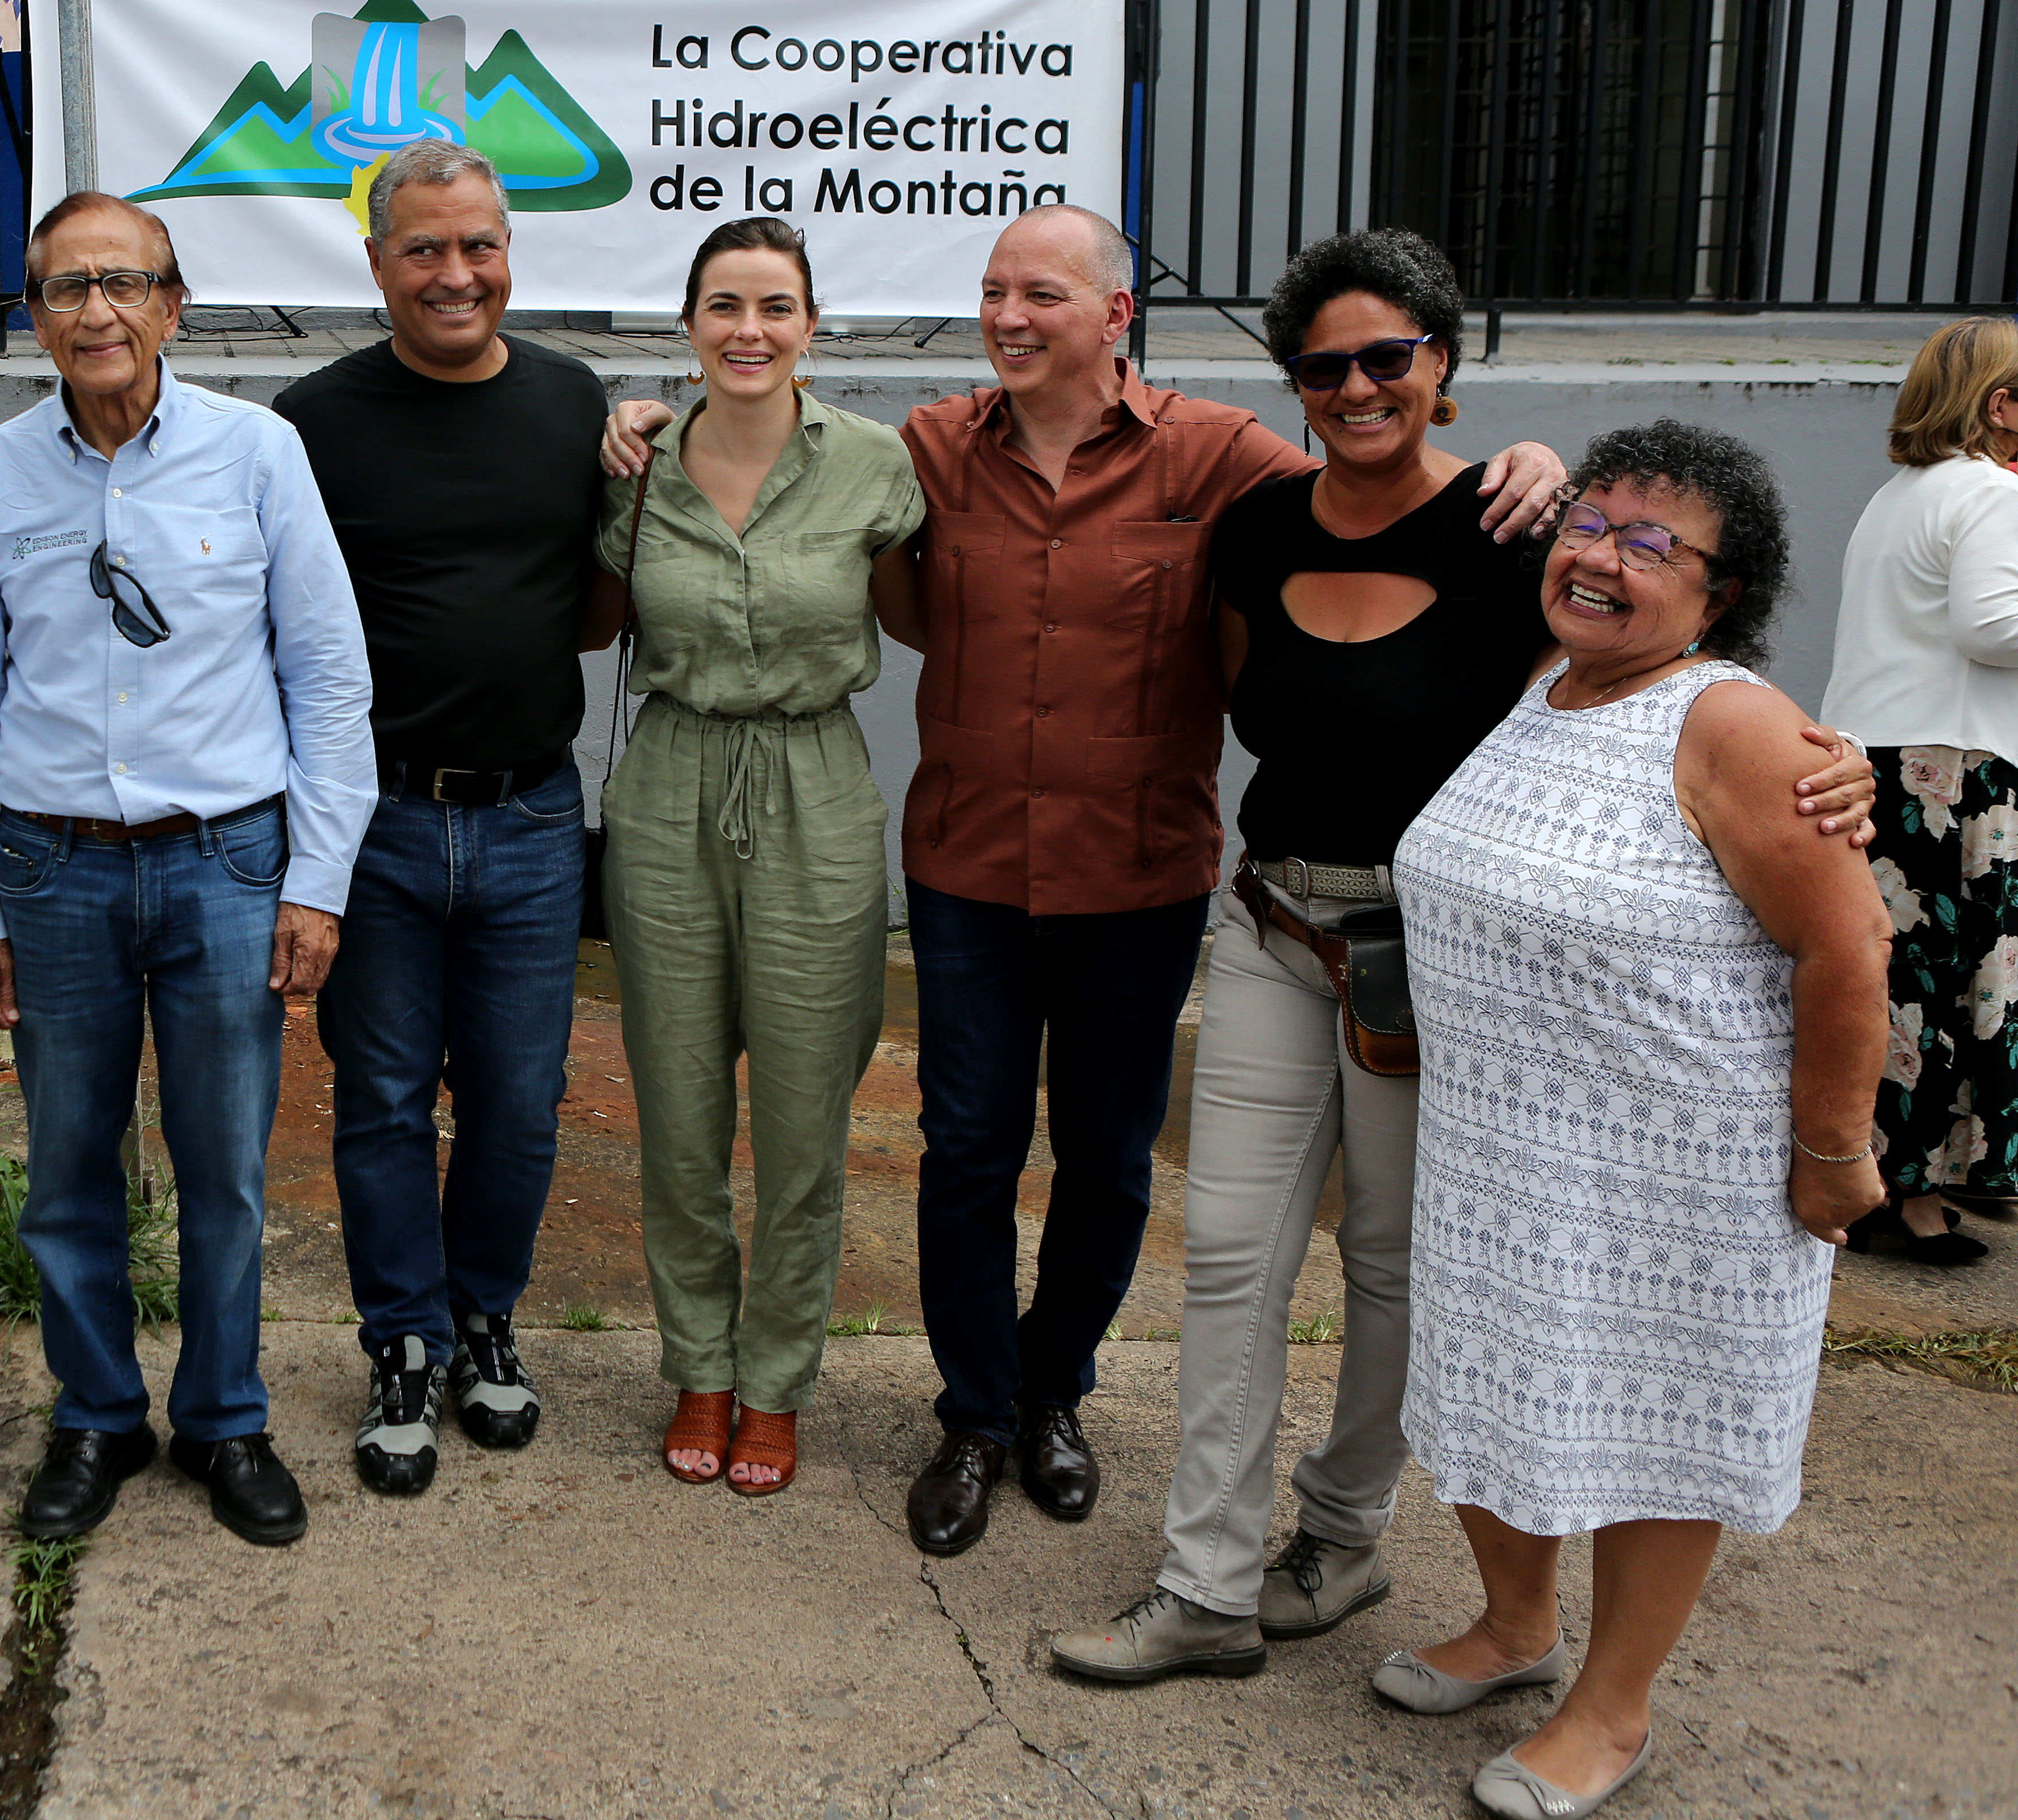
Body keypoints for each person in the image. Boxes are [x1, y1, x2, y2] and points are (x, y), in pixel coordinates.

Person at [611, 204, 1565, 1555]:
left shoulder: (1221, 456)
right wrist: (641, 416)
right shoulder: (931, 449)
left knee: (1106, 1160)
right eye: (991, 291)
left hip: (1134, 869)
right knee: (964, 1153)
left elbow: (1370, 476)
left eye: (1039, 293)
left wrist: (1520, 463)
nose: (1006, 314)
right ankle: (973, 1411)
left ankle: (1054, 1390)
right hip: (966, 863)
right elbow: (779, 449)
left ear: (1114, 314)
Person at [1048, 231, 1876, 1685]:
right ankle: (1203, 1580)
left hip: (1434, 958)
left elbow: (1653, 669)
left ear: (1440, 367)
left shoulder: (1521, 529)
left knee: (1392, 1266)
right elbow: (1253, 698)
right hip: (1270, 927)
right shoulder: (1260, 525)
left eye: (1389, 356)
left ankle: (1344, 1537)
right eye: (1322, 364)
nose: (1357, 385)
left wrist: (1830, 761)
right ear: (1291, 384)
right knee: (1231, 1258)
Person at [1390, 420, 1888, 1818]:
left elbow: (1844, 947)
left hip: (1681, 1174)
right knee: (1506, 1388)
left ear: (1719, 594)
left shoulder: (1724, 719)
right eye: (1586, 525)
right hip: (1510, 1156)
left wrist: (1831, 1150)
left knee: (1648, 1420)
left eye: (1647, 541)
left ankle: (1608, 1712)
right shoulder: (1547, 680)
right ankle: (1509, 1627)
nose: (1598, 556)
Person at [0, 191, 373, 1549]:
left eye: (123, 283)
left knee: (224, 1162)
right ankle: (97, 1412)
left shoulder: (257, 452)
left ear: (173, 306)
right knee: (67, 1161)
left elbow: (327, 677)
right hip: (51, 869)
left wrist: (316, 878)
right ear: (35, 316)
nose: (96, 311)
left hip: (225, 864)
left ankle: (225, 1416)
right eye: (66, 288)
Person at [271, 139, 612, 1496]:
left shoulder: (569, 400)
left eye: (476, 244)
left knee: (521, 1108)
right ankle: (399, 1343)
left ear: (507, 251)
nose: (453, 272)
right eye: (422, 249)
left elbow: (601, 592)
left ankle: (484, 1322)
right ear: (375, 264)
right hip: (377, 826)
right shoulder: (308, 421)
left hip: (531, 817)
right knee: (381, 1107)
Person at [598, 217, 923, 1498]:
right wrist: (611, 433)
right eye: (724, 306)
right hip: (672, 780)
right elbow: (588, 619)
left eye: (775, 308)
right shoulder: (632, 466)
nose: (749, 331)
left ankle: (777, 1378)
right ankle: (701, 1365)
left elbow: (929, 620)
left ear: (812, 324)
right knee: (677, 1108)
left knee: (802, 1113)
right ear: (688, 326)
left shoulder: (875, 464)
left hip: (814, 780)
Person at [1821, 315, 2018, 1266]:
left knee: (1897, 982)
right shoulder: (1989, 493)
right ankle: (1912, 1201)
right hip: (1956, 772)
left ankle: (1890, 1179)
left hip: (1889, 758)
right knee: (1944, 991)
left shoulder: (1899, 493)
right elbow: (1991, 627)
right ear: (2000, 405)